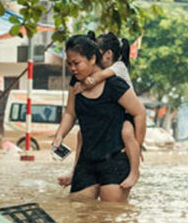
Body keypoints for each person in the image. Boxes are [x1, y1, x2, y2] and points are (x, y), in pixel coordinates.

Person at [51, 34, 146, 202]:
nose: (72, 68)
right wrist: (60, 135)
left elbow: (140, 113)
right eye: (69, 64)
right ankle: (74, 174)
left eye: (77, 63)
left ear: (93, 58)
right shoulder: (75, 84)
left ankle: (133, 173)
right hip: (87, 161)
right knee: (79, 213)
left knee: (111, 217)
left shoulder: (114, 84)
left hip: (114, 160)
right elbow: (70, 113)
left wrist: (136, 147)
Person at [72, 32, 141, 159]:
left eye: (97, 53)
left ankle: (134, 162)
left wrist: (83, 85)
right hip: (113, 115)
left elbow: (99, 77)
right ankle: (76, 169)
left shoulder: (119, 67)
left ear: (108, 54)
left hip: (127, 115)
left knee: (126, 132)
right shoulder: (105, 68)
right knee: (82, 134)